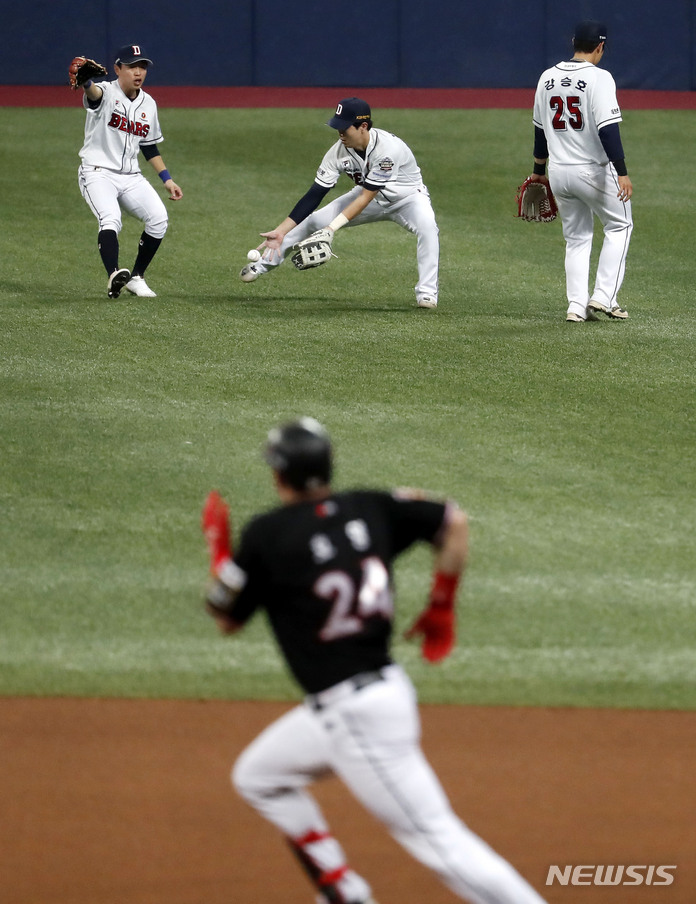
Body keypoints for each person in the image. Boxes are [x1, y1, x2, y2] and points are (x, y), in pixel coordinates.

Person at [201, 418, 548, 904]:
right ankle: (344, 893)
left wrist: (220, 553)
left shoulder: (267, 535)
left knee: (439, 841)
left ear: (278, 475)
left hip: (357, 717)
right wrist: (441, 605)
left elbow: (226, 618)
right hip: (358, 702)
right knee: (259, 777)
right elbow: (453, 520)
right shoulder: (370, 507)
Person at [239, 98, 441, 309]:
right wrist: (281, 230)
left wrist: (331, 229)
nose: (340, 134)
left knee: (428, 229)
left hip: (408, 199)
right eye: (338, 128)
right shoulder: (337, 152)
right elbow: (315, 193)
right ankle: (260, 266)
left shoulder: (388, 150)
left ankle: (427, 294)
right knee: (313, 221)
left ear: (363, 126)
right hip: (367, 195)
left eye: (345, 129)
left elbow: (366, 197)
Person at [530, 20, 633, 322]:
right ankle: (602, 296)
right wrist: (622, 171)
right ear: (600, 46)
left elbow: (539, 130)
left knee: (576, 238)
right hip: (594, 172)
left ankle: (576, 306)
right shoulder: (600, 78)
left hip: (560, 172)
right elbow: (608, 130)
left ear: (574, 42)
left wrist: (538, 171)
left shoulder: (547, 77)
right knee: (619, 226)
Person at [75, 44, 183, 299]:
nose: (138, 72)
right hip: (97, 173)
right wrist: (86, 81)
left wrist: (167, 179)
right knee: (111, 218)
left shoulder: (149, 103)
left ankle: (136, 277)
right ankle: (114, 275)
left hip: (131, 176)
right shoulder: (105, 92)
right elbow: (93, 94)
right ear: (117, 69)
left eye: (142, 66)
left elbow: (149, 145)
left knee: (158, 219)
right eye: (132, 66)